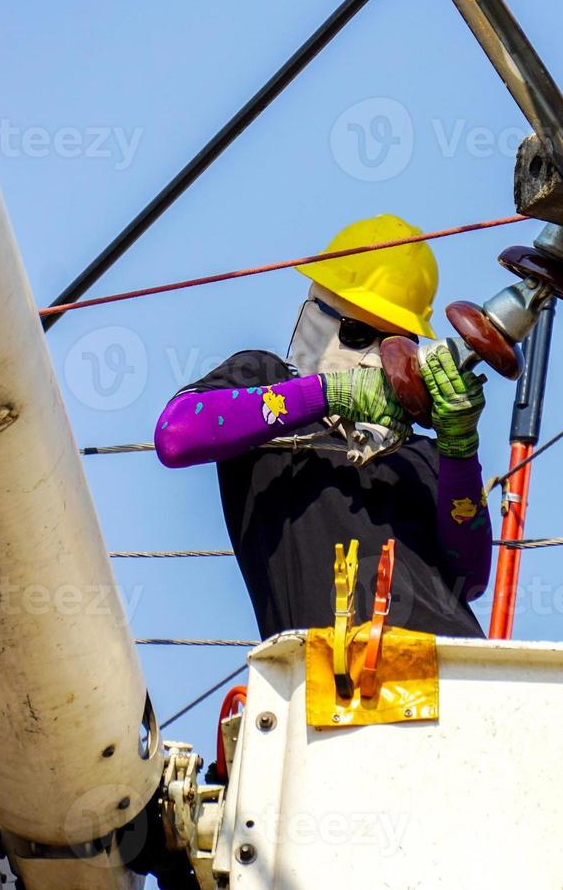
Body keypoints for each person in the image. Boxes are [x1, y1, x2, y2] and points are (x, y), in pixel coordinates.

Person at [154, 215, 492, 640]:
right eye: (356, 332)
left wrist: (460, 449)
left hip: (458, 671)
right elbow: (175, 435)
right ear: (314, 311)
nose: (373, 360)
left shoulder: (421, 456)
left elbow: (472, 578)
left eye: (392, 346)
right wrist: (328, 394)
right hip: (335, 682)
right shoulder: (262, 379)